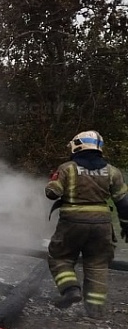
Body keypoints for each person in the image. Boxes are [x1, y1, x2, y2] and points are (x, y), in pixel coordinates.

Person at [45, 130, 128, 318]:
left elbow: (52, 193)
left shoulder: (67, 168)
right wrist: (125, 225)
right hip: (102, 225)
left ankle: (70, 289)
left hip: (72, 222)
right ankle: (95, 310)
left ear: (77, 145)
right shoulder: (113, 172)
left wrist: (53, 182)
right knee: (98, 263)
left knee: (60, 257)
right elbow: (124, 203)